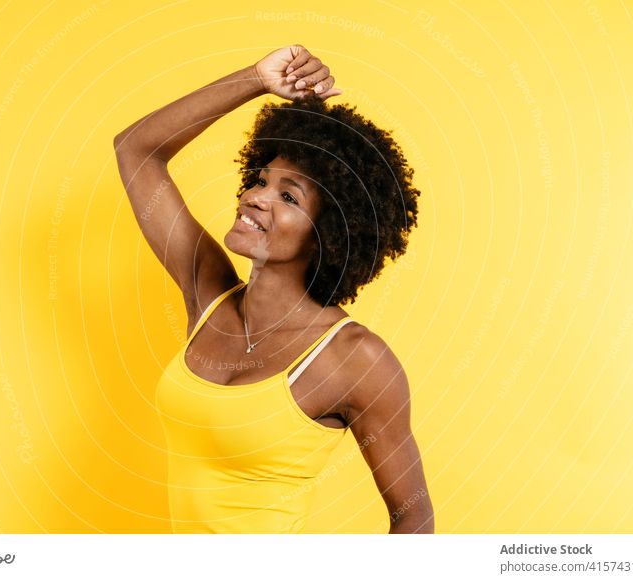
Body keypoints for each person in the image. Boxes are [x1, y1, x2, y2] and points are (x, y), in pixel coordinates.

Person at [114, 44, 434, 534]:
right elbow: (135, 149)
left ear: (331, 232)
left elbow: (413, 517)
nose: (254, 197)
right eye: (261, 179)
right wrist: (256, 78)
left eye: (288, 196)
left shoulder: (356, 359)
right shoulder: (209, 294)